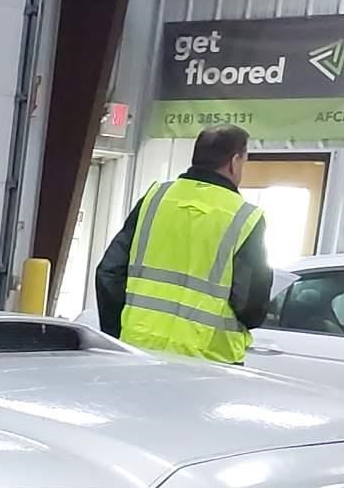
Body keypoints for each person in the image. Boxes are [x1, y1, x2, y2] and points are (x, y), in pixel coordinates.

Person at [94, 123, 271, 363]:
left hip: (139, 351)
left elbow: (109, 272)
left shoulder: (155, 200)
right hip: (209, 362)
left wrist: (119, 333)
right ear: (235, 161)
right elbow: (251, 306)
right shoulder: (246, 218)